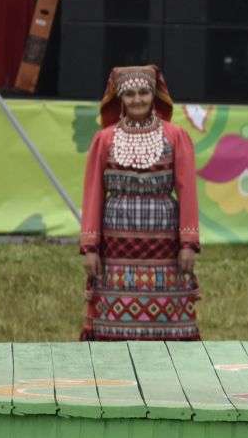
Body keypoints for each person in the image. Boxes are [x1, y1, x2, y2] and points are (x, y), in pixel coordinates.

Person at [78, 65, 202, 341]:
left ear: (154, 95)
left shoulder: (175, 136)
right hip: (114, 247)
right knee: (111, 322)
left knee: (170, 321)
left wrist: (188, 243)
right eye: (130, 93)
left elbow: (187, 191)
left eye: (144, 92)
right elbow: (93, 194)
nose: (137, 99)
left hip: (165, 247)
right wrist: (90, 247)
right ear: (120, 98)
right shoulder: (104, 139)